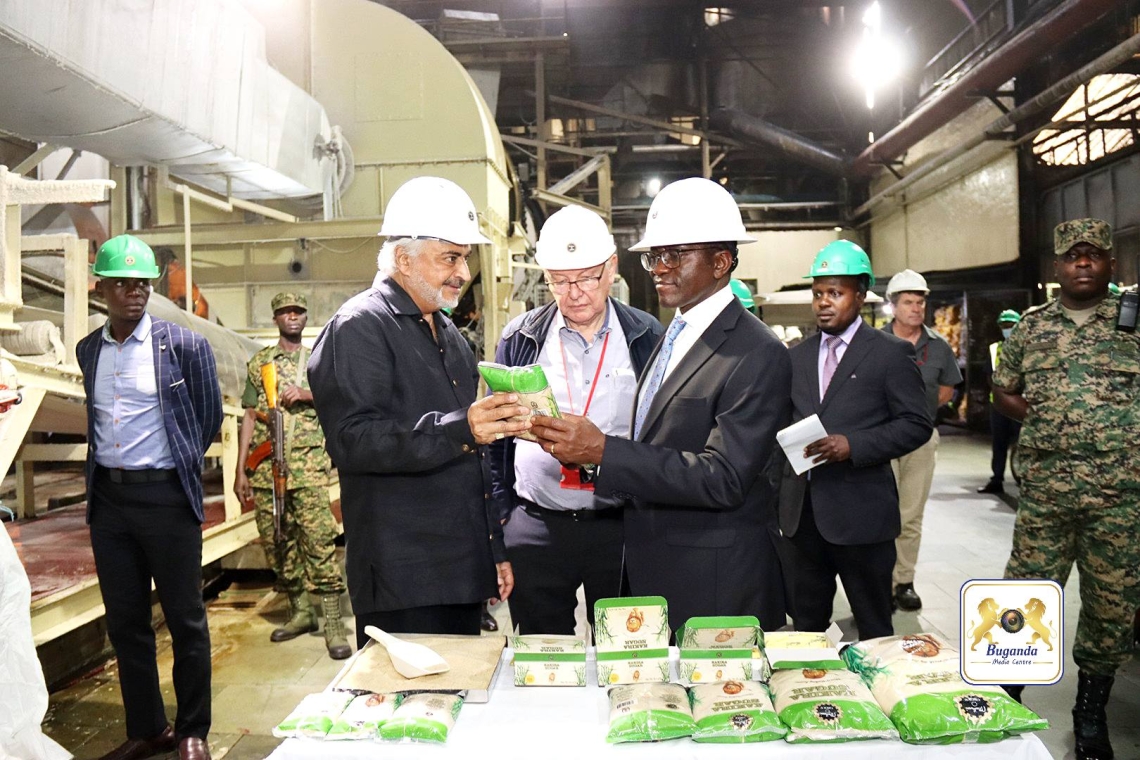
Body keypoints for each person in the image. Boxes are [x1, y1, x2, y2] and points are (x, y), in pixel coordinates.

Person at [530, 177, 791, 634]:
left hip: (712, 585)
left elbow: (724, 478)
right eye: (655, 256)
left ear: (721, 262)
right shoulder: (674, 333)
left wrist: (603, 452)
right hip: (655, 567)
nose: (659, 268)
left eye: (675, 255)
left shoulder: (756, 351)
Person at [307, 176, 528, 647]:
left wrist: (494, 550)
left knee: (457, 709)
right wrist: (459, 428)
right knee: (407, 713)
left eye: (464, 258)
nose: (462, 273)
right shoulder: (360, 327)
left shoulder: (451, 338)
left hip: (460, 571)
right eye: (450, 257)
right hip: (403, 578)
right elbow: (354, 440)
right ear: (403, 259)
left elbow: (474, 461)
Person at [992, 218, 1139, 760]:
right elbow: (1002, 389)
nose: (1083, 262)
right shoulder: (1032, 328)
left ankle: (1090, 714)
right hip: (1047, 496)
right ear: (1057, 266)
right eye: (1072, 255)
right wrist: (1042, 418)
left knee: (1110, 608)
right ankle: (1007, 700)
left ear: (1110, 264)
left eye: (1093, 254)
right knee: (1023, 598)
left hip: (1120, 499)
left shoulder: (1135, 322)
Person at [76, 235, 221, 760]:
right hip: (110, 503)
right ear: (103, 289)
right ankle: (148, 728)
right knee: (126, 622)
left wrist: (170, 465)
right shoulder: (88, 350)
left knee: (186, 619)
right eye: (122, 284)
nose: (134, 293)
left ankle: (191, 731)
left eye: (142, 284)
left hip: (165, 497)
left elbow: (205, 420)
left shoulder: (183, 346)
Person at [489, 205, 663, 635]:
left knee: (628, 652)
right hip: (537, 526)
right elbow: (494, 440)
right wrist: (504, 518)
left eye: (586, 277)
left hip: (620, 526)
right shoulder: (520, 338)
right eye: (560, 281)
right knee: (544, 658)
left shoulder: (646, 336)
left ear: (611, 269)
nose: (575, 293)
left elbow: (663, 436)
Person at [778, 241, 931, 641]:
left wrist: (854, 445)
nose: (823, 303)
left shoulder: (890, 354)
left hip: (862, 518)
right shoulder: (796, 357)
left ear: (861, 296)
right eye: (817, 294)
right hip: (803, 519)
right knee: (806, 629)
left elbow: (916, 424)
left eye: (835, 293)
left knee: (875, 629)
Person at [233, 293, 349, 660]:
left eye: (298, 311)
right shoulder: (261, 363)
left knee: (318, 541)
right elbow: (250, 416)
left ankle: (332, 623)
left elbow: (340, 397)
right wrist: (241, 469)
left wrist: (305, 393)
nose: (292, 317)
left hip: (310, 466)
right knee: (277, 540)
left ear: (304, 316)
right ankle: (300, 612)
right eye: (285, 311)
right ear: (276, 318)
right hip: (269, 471)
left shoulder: (317, 359)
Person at [882, 269, 962, 612]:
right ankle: (878, 583)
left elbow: (945, 392)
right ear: (894, 307)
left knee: (910, 516)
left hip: (920, 440)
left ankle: (903, 582)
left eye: (920, 302)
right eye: (909, 303)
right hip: (882, 440)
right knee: (880, 514)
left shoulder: (938, 346)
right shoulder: (875, 344)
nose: (916, 309)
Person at [978, 309, 1022, 495]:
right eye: (1004, 326)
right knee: (999, 443)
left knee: (1023, 442)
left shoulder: (1026, 346)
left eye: (1010, 326)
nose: (1007, 329)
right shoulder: (994, 348)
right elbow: (989, 375)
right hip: (999, 404)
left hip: (1022, 402)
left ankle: (1025, 478)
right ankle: (997, 479)